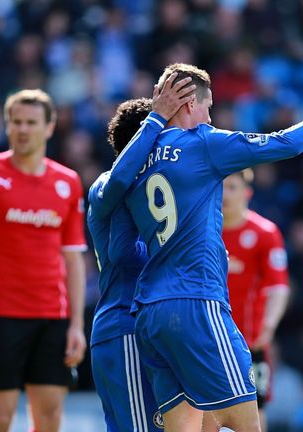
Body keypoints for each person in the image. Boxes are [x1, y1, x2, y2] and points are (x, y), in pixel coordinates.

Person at [124, 58, 303, 432]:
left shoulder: (137, 157)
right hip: (197, 302)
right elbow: (286, 143)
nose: (211, 117)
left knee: (187, 427)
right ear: (188, 103)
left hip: (148, 310)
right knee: (246, 420)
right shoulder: (204, 143)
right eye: (208, 107)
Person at [0, 89, 88, 432]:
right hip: (0, 316)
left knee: (50, 418)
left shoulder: (67, 182)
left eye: (31, 122)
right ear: (7, 126)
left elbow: (73, 261)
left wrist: (75, 325)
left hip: (52, 317)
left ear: (50, 127)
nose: (23, 129)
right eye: (16, 122)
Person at [87, 75, 194, 431]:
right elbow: (121, 254)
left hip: (137, 327)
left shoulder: (142, 189)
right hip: (125, 326)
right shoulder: (109, 184)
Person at [221, 168, 290, 431]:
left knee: (256, 411)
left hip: (251, 343)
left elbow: (278, 286)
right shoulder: (204, 232)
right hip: (209, 341)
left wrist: (269, 326)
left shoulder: (265, 233)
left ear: (247, 193)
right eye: (221, 187)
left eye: (233, 187)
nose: (225, 194)